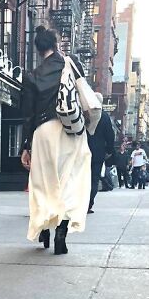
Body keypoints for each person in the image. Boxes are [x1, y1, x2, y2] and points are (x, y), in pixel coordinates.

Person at [20, 27, 91, 254]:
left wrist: (26, 146)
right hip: (71, 128)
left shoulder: (32, 75)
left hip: (43, 131)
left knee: (43, 183)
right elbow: (83, 92)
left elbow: (28, 114)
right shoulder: (72, 64)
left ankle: (43, 226)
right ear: (56, 43)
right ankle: (62, 232)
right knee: (69, 181)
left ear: (38, 49)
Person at [87, 92, 115, 213]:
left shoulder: (85, 114)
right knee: (94, 179)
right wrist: (109, 150)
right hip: (98, 152)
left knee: (81, 177)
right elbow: (110, 135)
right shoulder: (104, 117)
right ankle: (89, 204)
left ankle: (79, 203)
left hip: (83, 150)